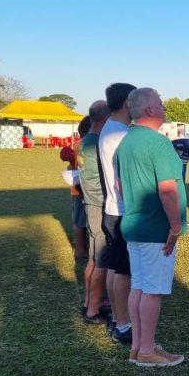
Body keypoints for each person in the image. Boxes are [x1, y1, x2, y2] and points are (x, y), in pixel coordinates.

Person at [114, 87, 187, 367]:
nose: (164, 106)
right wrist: (176, 226)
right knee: (153, 290)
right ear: (149, 110)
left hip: (134, 224)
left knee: (140, 286)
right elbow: (168, 190)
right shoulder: (158, 143)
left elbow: (120, 186)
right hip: (156, 229)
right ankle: (146, 351)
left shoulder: (126, 142)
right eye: (160, 102)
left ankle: (138, 347)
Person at [98, 82, 136, 345]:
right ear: (127, 103)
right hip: (122, 210)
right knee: (123, 270)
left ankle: (117, 319)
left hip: (112, 208)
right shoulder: (121, 135)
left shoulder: (110, 128)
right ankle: (123, 325)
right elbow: (125, 179)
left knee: (114, 267)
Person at [79, 100, 110, 324]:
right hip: (100, 206)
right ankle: (93, 312)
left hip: (91, 205)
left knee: (92, 259)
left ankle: (89, 303)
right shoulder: (96, 145)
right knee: (101, 261)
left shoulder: (84, 142)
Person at [61, 117, 90, 261]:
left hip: (78, 187)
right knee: (80, 220)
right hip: (80, 188)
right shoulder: (84, 145)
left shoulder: (78, 144)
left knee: (81, 218)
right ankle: (80, 249)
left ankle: (82, 246)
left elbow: (70, 166)